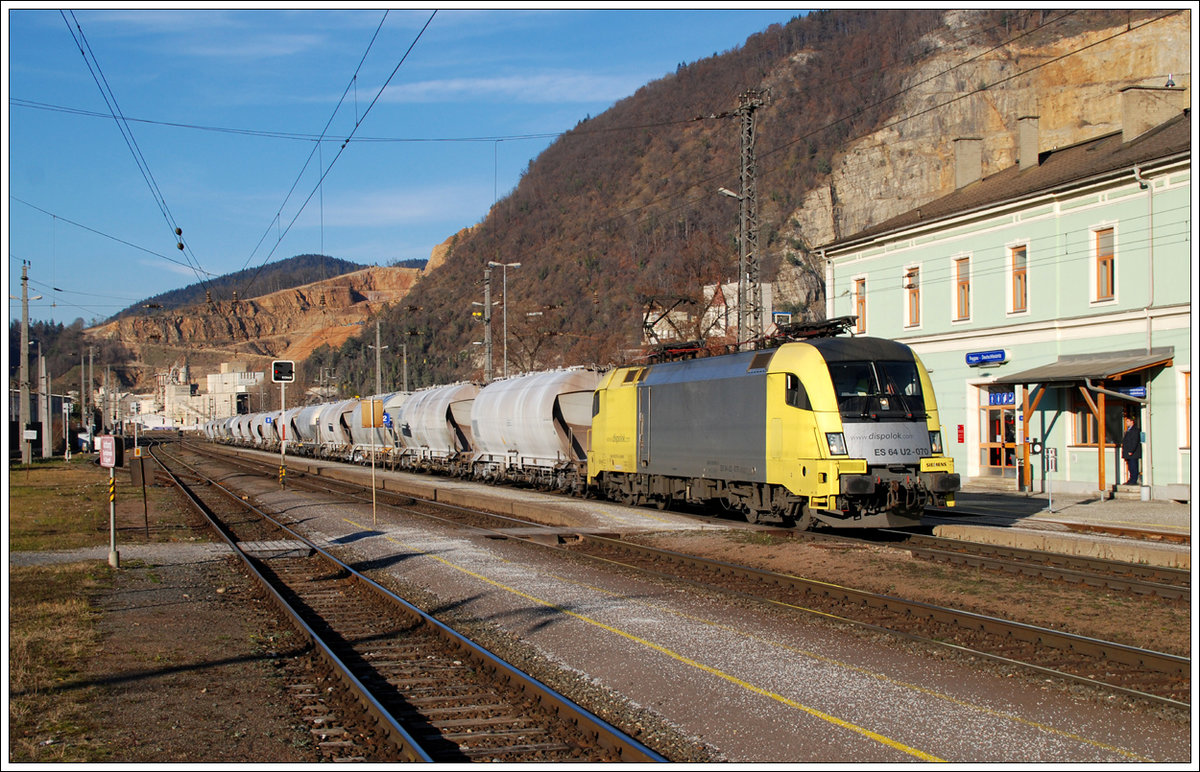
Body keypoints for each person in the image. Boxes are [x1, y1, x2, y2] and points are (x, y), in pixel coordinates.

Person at [1121, 413, 1142, 486]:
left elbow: (1135, 441)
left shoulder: (1135, 430)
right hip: (1128, 452)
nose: (1126, 423)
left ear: (1132, 422)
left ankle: (1134, 480)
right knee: (1130, 466)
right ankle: (1131, 479)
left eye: (1127, 421)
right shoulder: (1128, 430)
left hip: (1133, 453)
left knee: (1133, 466)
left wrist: (1131, 451)